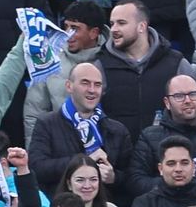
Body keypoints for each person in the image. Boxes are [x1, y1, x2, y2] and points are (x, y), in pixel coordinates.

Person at [97, 0, 196, 141]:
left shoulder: (176, 63)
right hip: (117, 157)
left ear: (142, 26)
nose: (114, 29)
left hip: (167, 156)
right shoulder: (100, 65)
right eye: (112, 23)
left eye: (121, 23)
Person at [27, 62, 132, 199]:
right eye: (85, 83)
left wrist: (114, 177)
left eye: (97, 85)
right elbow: (37, 168)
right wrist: (82, 162)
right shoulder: (46, 124)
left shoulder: (117, 130)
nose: (92, 90)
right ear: (69, 86)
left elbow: (130, 177)